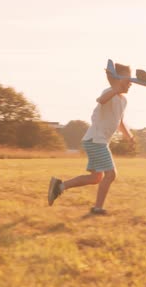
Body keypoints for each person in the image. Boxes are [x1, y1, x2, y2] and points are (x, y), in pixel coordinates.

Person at [47, 62, 135, 215]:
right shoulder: (109, 92)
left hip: (98, 141)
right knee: (111, 174)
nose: (131, 83)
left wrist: (129, 136)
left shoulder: (124, 101)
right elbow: (101, 100)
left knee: (96, 178)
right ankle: (97, 208)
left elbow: (119, 121)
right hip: (96, 140)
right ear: (117, 79)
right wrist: (115, 89)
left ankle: (59, 186)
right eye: (128, 80)